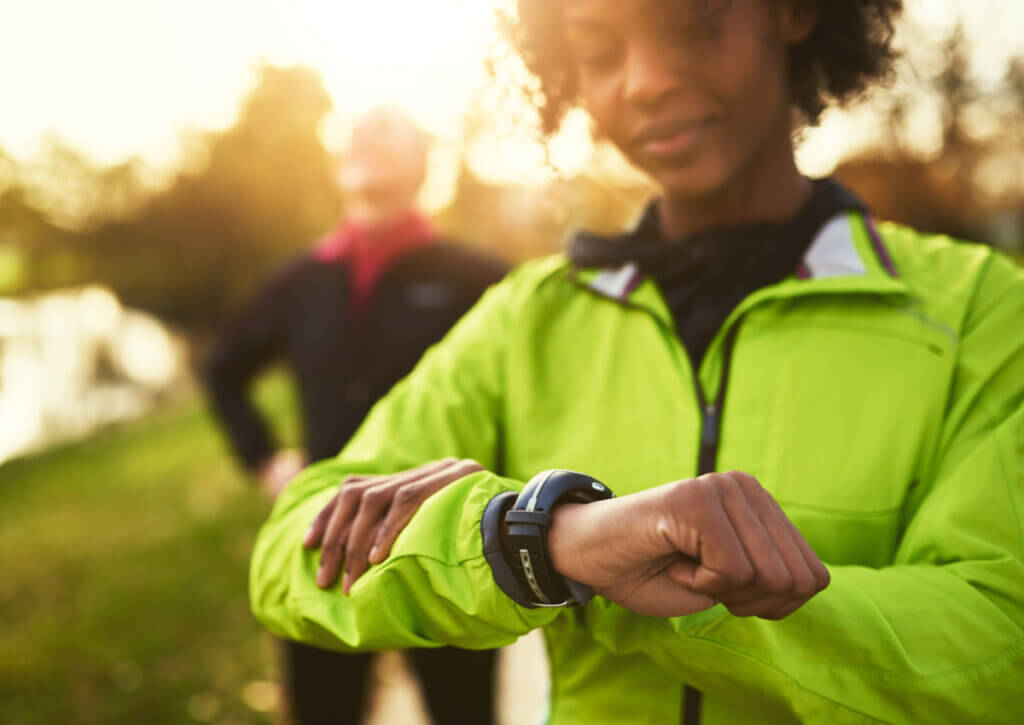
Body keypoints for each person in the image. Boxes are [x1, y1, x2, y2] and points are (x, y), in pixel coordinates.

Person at [249, 2, 1024, 723]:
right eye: (598, 49)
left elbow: (1001, 637)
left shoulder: (983, 310)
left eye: (694, 22)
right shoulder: (527, 319)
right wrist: (541, 542)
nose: (646, 80)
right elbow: (292, 554)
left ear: (795, 11)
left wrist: (653, 593)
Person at [204, 107, 507, 724]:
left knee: (464, 710)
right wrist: (265, 459)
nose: (371, 134)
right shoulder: (298, 281)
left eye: (392, 130)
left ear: (422, 166)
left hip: (446, 539)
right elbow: (223, 371)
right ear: (338, 166)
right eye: (359, 132)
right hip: (327, 538)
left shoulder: (477, 279)